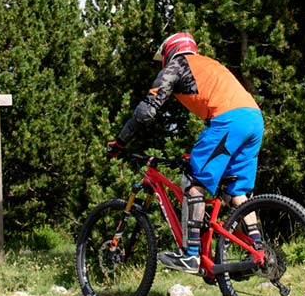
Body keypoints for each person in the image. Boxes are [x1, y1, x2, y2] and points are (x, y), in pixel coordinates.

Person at [106, 32, 264, 273]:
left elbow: (147, 110)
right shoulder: (210, 64)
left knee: (192, 182)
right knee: (238, 193)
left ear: (170, 51)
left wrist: (120, 142)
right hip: (254, 119)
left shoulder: (178, 64)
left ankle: (190, 255)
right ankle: (260, 251)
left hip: (229, 120)